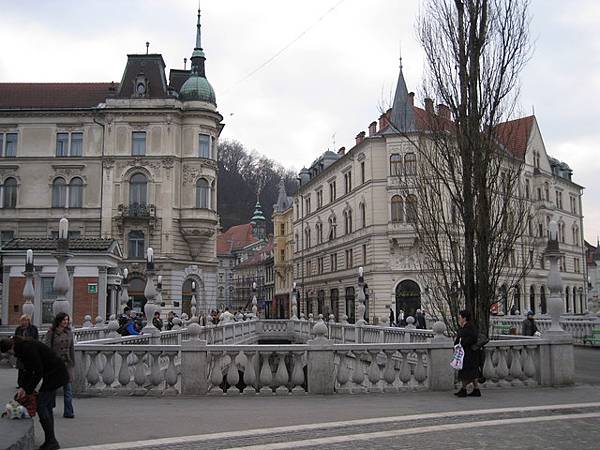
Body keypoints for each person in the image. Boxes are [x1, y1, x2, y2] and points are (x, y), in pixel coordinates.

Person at [1, 335, 69, 450]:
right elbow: (28, 370)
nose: (11, 355)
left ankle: (51, 441)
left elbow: (37, 371)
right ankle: (51, 440)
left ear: (11, 347)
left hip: (55, 375)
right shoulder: (23, 347)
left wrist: (28, 390)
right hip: (54, 373)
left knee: (41, 405)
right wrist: (23, 387)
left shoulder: (27, 348)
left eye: (9, 352)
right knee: (46, 406)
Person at [44, 312, 75, 419]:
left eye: (67, 320)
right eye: (64, 320)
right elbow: (47, 349)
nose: (66, 322)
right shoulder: (51, 333)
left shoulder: (69, 332)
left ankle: (69, 411)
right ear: (59, 321)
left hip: (67, 363)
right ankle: (49, 408)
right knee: (52, 389)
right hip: (55, 364)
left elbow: (72, 349)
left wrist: (72, 363)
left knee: (68, 389)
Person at [454, 310, 481, 397]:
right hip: (471, 352)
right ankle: (476, 389)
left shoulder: (467, 328)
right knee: (472, 372)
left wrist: (460, 343)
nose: (459, 319)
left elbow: (467, 340)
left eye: (460, 318)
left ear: (464, 318)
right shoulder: (470, 326)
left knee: (465, 372)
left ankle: (464, 389)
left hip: (468, 353)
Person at [14, 314, 39, 386]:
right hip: (21, 351)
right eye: (22, 321)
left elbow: (36, 338)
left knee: (30, 368)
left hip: (30, 350)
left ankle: (29, 382)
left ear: (28, 321)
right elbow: (15, 339)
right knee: (21, 368)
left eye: (24, 320)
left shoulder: (33, 328)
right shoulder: (18, 329)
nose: (23, 322)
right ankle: (20, 383)